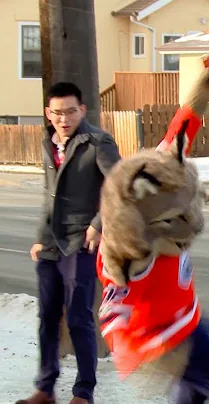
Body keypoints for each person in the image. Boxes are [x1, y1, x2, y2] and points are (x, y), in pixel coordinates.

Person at [19, 82, 122, 404]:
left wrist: (97, 226)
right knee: (48, 316)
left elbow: (118, 188)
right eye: (58, 112)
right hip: (51, 242)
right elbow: (49, 195)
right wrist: (39, 237)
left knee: (78, 317)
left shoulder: (98, 142)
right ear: (49, 114)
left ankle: (84, 392)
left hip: (82, 242)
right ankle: (45, 388)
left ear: (82, 110)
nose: (64, 119)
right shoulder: (47, 142)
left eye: (70, 111)